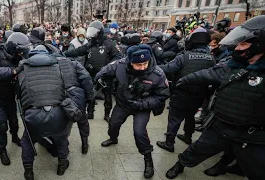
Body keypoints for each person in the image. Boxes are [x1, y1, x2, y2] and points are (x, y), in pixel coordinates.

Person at [165, 15, 265, 180]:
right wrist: (185, 79)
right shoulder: (232, 66)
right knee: (197, 149)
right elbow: (208, 74)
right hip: (221, 127)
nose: (238, 48)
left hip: (253, 135)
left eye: (244, 43)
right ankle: (180, 165)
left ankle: (223, 166)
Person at [18, 46, 92, 179]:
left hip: (33, 115)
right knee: (61, 138)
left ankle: (28, 172)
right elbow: (64, 90)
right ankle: (61, 166)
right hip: (56, 112)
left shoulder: (23, 69)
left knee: (27, 142)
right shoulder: (57, 67)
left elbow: (18, 94)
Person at [97, 44, 169, 179]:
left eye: (145, 63)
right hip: (123, 103)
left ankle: (148, 159)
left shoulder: (157, 74)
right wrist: (99, 79)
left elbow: (162, 95)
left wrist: (141, 104)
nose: (143, 67)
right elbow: (105, 70)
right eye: (138, 65)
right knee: (113, 124)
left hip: (142, 106)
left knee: (139, 131)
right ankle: (113, 138)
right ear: (130, 62)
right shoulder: (120, 65)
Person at [156, 28, 216, 152]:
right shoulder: (211, 58)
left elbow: (168, 69)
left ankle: (169, 143)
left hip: (181, 93)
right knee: (190, 116)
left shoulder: (184, 57)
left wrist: (151, 66)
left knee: (174, 119)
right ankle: (188, 136)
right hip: (199, 94)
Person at [0, 32, 30, 165]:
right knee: (2, 125)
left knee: (14, 121)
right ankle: (2, 149)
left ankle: (15, 137)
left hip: (9, 95)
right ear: (14, 48)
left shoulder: (17, 56)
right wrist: (14, 70)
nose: (22, 54)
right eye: (20, 51)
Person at [64, 20, 122, 121]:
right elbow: (78, 51)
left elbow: (118, 56)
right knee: (91, 94)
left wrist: (109, 67)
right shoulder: (91, 44)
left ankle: (107, 115)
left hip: (107, 75)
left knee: (108, 96)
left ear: (100, 32)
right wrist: (65, 53)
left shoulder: (110, 43)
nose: (92, 34)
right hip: (93, 74)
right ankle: (90, 113)